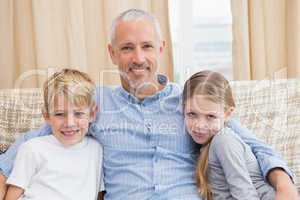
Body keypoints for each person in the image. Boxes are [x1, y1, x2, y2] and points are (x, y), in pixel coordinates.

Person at [0, 9, 298, 200]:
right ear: (112, 53)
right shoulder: (93, 104)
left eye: (146, 47)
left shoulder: (191, 101)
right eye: (127, 48)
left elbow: (255, 146)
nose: (138, 58)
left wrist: (284, 185)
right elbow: (26, 146)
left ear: (162, 49)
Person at [4, 69, 104, 200]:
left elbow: (99, 194)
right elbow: (13, 195)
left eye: (78, 114)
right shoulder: (32, 148)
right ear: (47, 116)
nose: (69, 123)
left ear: (92, 114)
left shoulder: (97, 150)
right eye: (59, 114)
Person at [183, 70, 276, 200]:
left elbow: (245, 195)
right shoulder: (207, 144)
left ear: (227, 113)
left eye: (210, 116)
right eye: (192, 114)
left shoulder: (224, 141)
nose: (199, 125)